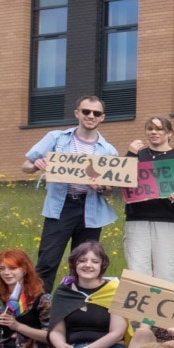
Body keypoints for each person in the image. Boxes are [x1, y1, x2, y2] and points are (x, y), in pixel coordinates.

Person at [23, 96, 121, 289]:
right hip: (61, 206)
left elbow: (110, 190)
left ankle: (75, 302)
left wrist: (101, 187)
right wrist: (36, 165)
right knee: (48, 261)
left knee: (85, 262)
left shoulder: (109, 150)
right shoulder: (56, 138)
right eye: (86, 111)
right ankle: (40, 304)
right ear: (77, 113)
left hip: (90, 208)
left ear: (102, 117)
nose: (91, 116)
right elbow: (25, 165)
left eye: (96, 113)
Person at [121, 116, 174, 280]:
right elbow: (121, 181)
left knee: (168, 274)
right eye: (150, 129)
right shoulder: (136, 156)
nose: (154, 132)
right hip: (137, 221)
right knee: (138, 274)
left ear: (169, 133)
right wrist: (130, 155)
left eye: (159, 129)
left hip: (170, 221)